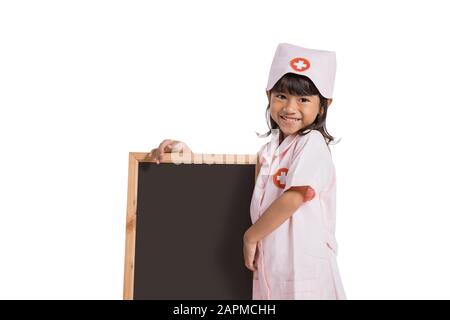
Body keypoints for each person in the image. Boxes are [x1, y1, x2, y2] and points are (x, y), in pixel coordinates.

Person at [149, 43, 346, 300]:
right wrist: (184, 159)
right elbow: (234, 187)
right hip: (273, 276)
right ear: (269, 96)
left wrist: (251, 236)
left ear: (323, 105)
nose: (289, 108)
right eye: (281, 96)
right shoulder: (270, 151)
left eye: (303, 100)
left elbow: (294, 196)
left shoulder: (312, 143)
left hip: (305, 278)